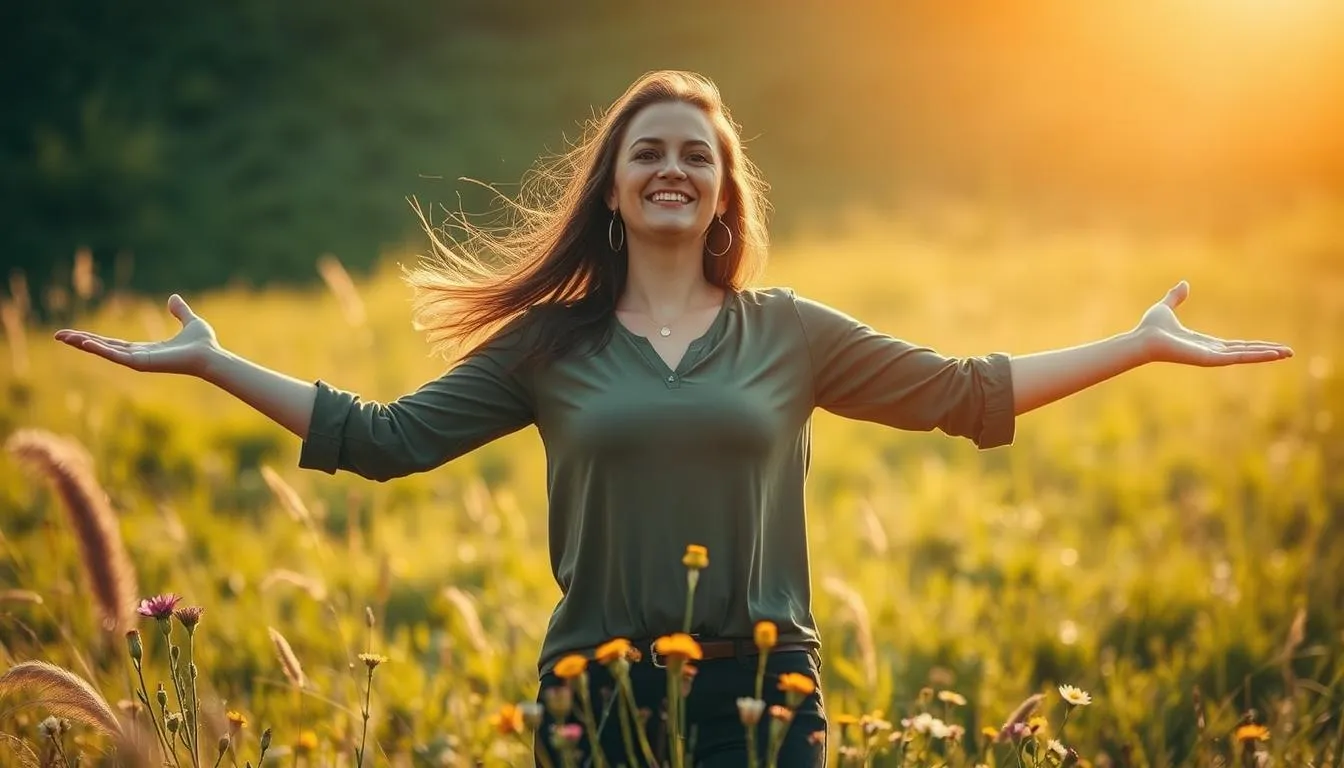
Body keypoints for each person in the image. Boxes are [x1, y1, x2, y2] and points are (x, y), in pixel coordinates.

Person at [53, 70, 1292, 767]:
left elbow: (968, 393)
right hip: (591, 698)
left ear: (722, 197)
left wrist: (1136, 346)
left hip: (767, 697)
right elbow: (379, 439)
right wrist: (217, 366)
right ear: (612, 188)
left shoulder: (790, 333)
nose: (673, 168)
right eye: (649, 150)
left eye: (697, 156)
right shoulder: (552, 346)